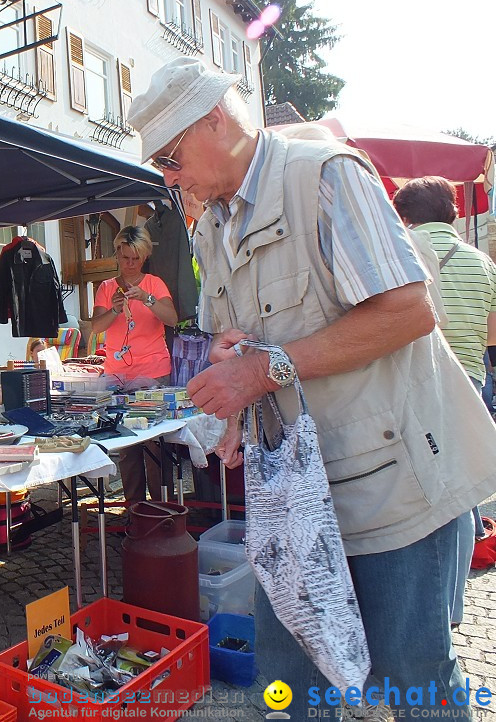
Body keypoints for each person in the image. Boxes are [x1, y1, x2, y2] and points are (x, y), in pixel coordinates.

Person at [127, 56, 496, 713]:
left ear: (214, 120)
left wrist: (264, 369)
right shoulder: (211, 224)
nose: (168, 177)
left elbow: (410, 311)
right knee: (291, 687)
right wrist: (228, 360)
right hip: (296, 494)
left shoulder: (323, 176)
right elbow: (236, 334)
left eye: (171, 157)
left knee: (412, 680)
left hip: (390, 490)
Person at [393, 175, 496, 624]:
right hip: (470, 382)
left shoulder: (402, 250)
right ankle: (452, 607)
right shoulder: (484, 263)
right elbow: (492, 335)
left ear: (406, 216)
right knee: (458, 491)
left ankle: (424, 609)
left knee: (416, 494)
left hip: (418, 383)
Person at [88, 225, 178, 504]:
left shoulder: (154, 283)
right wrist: (115, 309)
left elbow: (172, 319)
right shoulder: (106, 287)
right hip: (118, 375)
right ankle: (135, 510)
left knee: (154, 443)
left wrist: (147, 299)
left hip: (152, 371)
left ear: (145, 257)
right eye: (125, 257)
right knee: (127, 446)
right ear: (117, 254)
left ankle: (161, 509)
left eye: (135, 259)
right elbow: (96, 328)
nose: (129, 264)